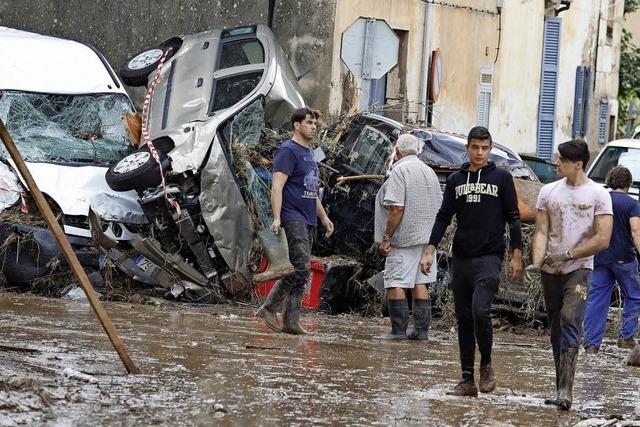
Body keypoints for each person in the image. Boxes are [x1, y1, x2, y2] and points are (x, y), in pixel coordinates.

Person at [421, 126, 523, 396]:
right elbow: (444, 216)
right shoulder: (456, 180)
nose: (479, 152)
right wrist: (430, 248)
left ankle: (486, 364)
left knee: (480, 310)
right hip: (462, 258)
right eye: (475, 147)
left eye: (484, 148)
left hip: (490, 257)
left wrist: (516, 254)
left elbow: (513, 217)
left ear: (490, 150)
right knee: (464, 318)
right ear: (467, 148)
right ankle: (467, 379)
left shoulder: (502, 178)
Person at [525, 139, 613, 410]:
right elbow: (541, 231)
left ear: (578, 164)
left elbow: (603, 238)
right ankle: (559, 387)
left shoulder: (599, 195)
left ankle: (566, 391)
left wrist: (570, 255)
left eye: (561, 160)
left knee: (570, 320)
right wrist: (536, 261)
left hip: (579, 269)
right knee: (556, 328)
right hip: (550, 270)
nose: (556, 163)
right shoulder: (549, 192)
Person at [255, 107, 334, 334]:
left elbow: (311, 190)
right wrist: (277, 217)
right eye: (309, 123)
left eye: (315, 124)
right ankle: (269, 307)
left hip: (308, 217)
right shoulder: (288, 151)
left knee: (303, 270)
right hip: (292, 217)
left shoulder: (309, 153)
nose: (313, 127)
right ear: (297, 125)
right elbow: (277, 186)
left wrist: (324, 217)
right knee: (299, 270)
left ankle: (291, 321)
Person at [374, 133, 442, 340]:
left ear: (397, 151)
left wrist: (387, 237)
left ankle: (398, 331)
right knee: (420, 283)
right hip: (427, 240)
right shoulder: (429, 172)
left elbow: (396, 208)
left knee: (395, 282)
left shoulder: (400, 171)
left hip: (404, 239)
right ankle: (421, 332)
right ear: (417, 151)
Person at [583, 166, 640, 353]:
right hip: (624, 258)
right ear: (628, 183)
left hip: (600, 257)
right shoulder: (632, 204)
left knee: (596, 300)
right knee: (634, 295)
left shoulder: (600, 199)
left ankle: (591, 344)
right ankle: (626, 338)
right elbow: (636, 230)